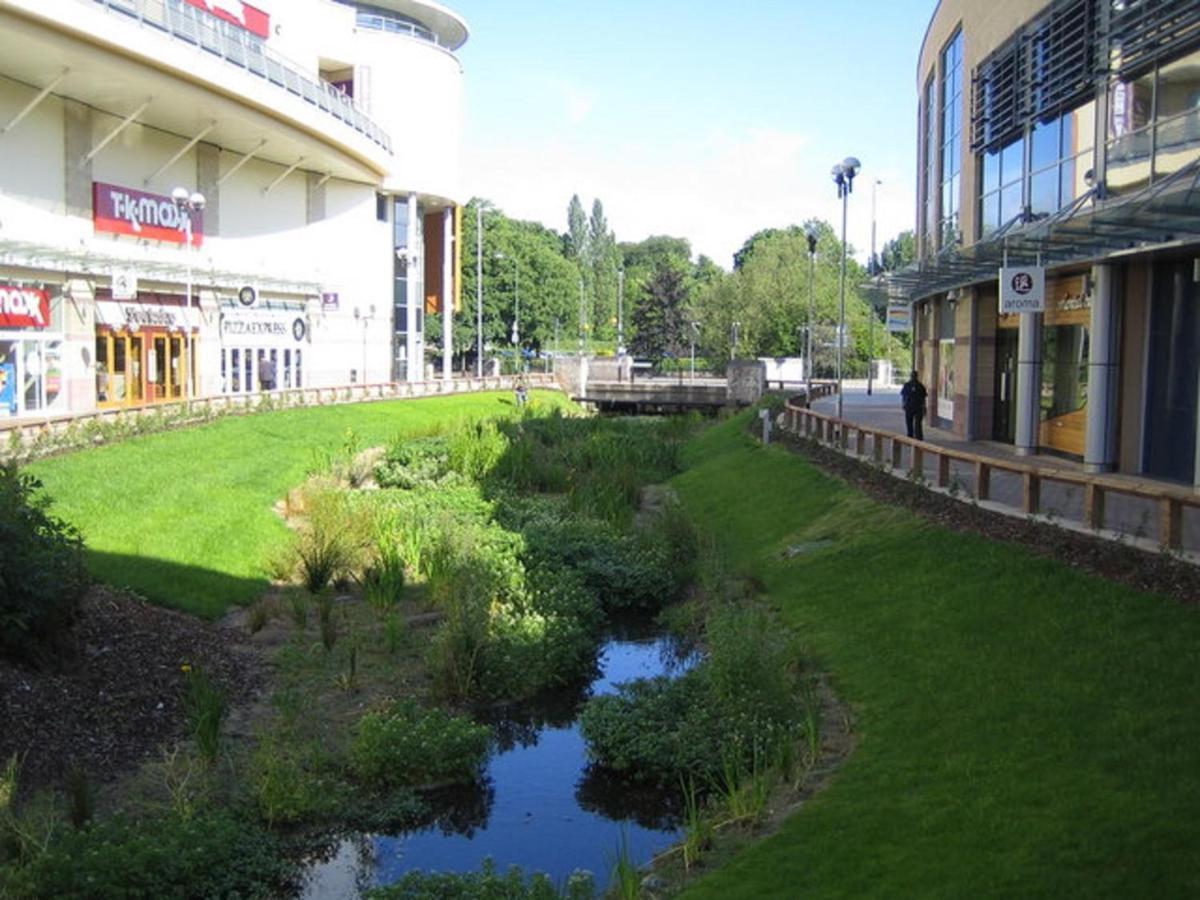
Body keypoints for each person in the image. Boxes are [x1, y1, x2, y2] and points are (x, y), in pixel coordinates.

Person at [900, 369, 927, 440]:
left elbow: (904, 396)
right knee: (918, 423)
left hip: (909, 406)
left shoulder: (907, 385)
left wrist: (903, 404)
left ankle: (910, 436)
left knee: (909, 422)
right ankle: (918, 437)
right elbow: (923, 398)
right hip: (918, 406)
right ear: (917, 376)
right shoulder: (920, 386)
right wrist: (924, 407)